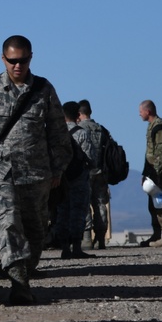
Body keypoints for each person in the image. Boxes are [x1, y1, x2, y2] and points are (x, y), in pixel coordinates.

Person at [0, 35, 71, 305]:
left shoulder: (43, 89)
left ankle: (25, 275)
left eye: (23, 60)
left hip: (38, 176)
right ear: (3, 59)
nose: (18, 66)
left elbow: (59, 134)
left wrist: (58, 170)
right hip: (2, 174)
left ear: (31, 58)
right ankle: (18, 284)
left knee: (35, 232)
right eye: (12, 61)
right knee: (8, 223)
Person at [54, 101, 97, 259]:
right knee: (78, 213)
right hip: (79, 180)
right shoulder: (82, 133)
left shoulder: (56, 134)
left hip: (60, 180)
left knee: (62, 213)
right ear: (78, 115)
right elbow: (91, 159)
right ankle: (77, 247)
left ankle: (65, 248)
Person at [139, 99, 162, 247]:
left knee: (161, 202)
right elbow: (150, 153)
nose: (139, 114)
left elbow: (161, 153)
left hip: (160, 173)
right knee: (154, 204)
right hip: (152, 173)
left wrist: (158, 174)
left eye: (141, 111)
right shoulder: (152, 127)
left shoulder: (159, 127)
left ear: (148, 111)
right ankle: (157, 234)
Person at [78, 99, 110, 250]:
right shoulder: (101, 129)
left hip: (85, 172)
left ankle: (86, 238)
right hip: (101, 171)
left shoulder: (79, 130)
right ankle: (101, 238)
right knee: (100, 204)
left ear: (79, 113)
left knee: (84, 204)